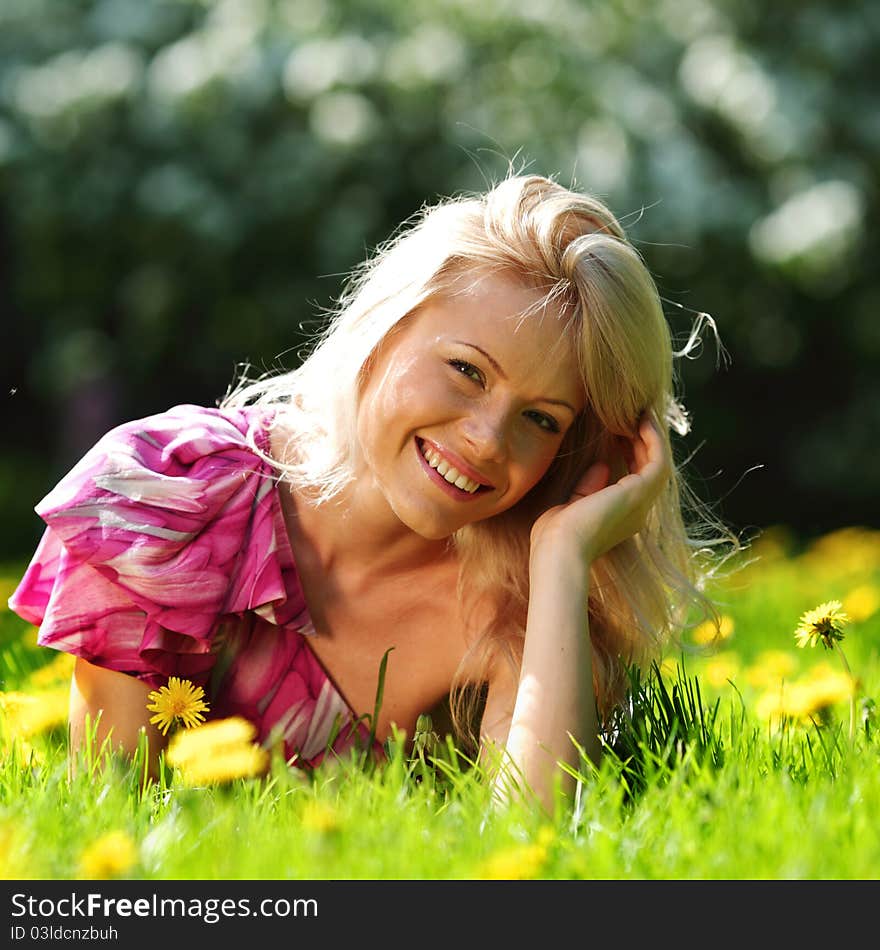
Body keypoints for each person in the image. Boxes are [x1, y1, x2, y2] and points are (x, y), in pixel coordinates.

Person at [9, 172, 727, 810]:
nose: (485, 438)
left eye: (540, 419)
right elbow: (107, 814)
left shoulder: (520, 610)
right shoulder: (172, 495)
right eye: (467, 371)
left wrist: (566, 556)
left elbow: (535, 843)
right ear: (383, 330)